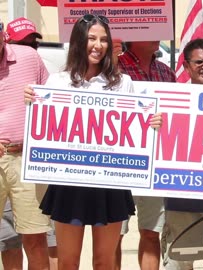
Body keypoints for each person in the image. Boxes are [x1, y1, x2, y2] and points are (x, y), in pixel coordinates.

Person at [24, 14, 161, 270]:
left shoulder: (123, 83)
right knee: (68, 262)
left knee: (104, 262)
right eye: (91, 38)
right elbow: (44, 123)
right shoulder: (57, 82)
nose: (98, 45)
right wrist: (32, 100)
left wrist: (151, 124)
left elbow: (134, 128)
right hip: (68, 181)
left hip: (109, 181)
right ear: (78, 41)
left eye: (103, 40)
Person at [162, 38, 203, 270]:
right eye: (198, 62)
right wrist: (156, 123)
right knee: (181, 265)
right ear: (186, 67)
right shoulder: (171, 100)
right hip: (181, 202)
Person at [3, 17, 59, 270]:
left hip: (26, 158)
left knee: (35, 238)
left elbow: (54, 101)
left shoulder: (28, 57)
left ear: (2, 34)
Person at [116, 40, 176, 270]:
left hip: (155, 165)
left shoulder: (166, 72)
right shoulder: (113, 68)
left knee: (151, 233)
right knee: (114, 235)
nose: (157, 35)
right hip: (121, 163)